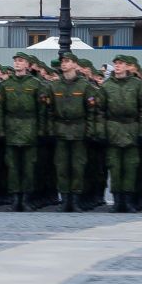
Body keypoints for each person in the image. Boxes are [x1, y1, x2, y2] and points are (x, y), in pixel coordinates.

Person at [44, 54, 98, 213]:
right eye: (63, 62)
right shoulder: (54, 86)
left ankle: (75, 200)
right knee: (61, 167)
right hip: (61, 130)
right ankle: (65, 200)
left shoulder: (85, 86)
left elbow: (92, 111)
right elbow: (48, 110)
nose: (64, 64)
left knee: (77, 167)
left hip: (78, 131)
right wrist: (50, 129)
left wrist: (91, 131)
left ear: (75, 64)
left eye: (68, 61)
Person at [100, 54, 142, 213]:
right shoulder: (107, 86)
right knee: (115, 167)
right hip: (113, 129)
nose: (118, 66)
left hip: (131, 130)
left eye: (121, 63)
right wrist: (102, 132)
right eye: (116, 63)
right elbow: (100, 110)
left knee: (130, 167)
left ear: (128, 66)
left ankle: (128, 201)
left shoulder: (137, 85)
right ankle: (117, 201)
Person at [0, 52, 45, 211]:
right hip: (11, 128)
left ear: (27, 65)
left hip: (29, 129)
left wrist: (41, 130)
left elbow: (42, 110)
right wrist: (0, 129)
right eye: (15, 61)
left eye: (20, 61)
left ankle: (26, 198)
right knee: (12, 167)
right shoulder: (5, 84)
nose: (17, 63)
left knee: (28, 167)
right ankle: (14, 198)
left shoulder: (36, 84)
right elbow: (0, 109)